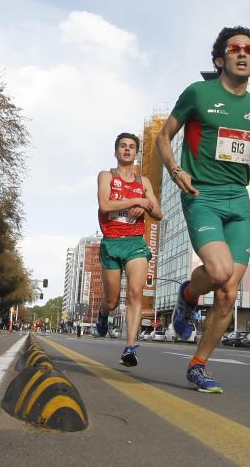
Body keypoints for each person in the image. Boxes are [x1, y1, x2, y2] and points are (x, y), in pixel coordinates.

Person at [155, 26, 250, 393]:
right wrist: (175, 171)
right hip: (202, 195)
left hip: (238, 200)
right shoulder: (198, 94)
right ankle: (188, 294)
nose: (242, 53)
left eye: (249, 50)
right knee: (219, 272)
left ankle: (198, 365)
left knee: (228, 293)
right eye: (234, 48)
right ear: (220, 58)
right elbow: (162, 136)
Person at [95, 133, 162, 367]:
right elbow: (105, 205)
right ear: (116, 152)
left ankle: (130, 347)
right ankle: (103, 314)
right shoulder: (106, 176)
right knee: (112, 302)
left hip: (135, 243)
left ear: (136, 153)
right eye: (122, 146)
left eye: (131, 147)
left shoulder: (143, 183)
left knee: (135, 292)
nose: (127, 150)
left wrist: (146, 208)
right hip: (112, 243)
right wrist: (137, 202)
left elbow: (159, 213)